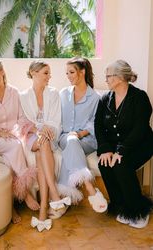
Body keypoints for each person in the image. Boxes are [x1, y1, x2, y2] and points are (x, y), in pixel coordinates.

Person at [0, 59, 39, 224]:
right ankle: (26, 194)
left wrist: (34, 129)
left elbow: (21, 117)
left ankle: (9, 207)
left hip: (12, 135)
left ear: (2, 72)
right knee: (16, 146)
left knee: (10, 160)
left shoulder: (14, 92)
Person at [95, 59, 153, 228]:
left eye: (108, 76)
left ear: (120, 77)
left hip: (140, 144)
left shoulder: (139, 97)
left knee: (121, 163)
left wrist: (121, 151)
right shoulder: (105, 99)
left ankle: (138, 210)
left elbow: (140, 128)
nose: (105, 79)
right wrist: (105, 149)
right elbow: (98, 125)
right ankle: (121, 205)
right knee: (104, 163)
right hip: (114, 144)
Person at [20, 60, 71, 232]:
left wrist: (45, 130)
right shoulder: (23, 96)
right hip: (32, 136)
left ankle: (43, 207)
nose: (49, 77)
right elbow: (25, 122)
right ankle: (55, 197)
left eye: (49, 73)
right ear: (34, 73)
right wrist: (39, 129)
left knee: (43, 146)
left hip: (50, 135)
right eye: (45, 73)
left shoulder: (53, 93)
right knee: (41, 142)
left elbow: (56, 120)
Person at [58, 57, 107, 213]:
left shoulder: (96, 98)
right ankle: (89, 186)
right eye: (67, 73)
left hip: (88, 140)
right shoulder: (63, 93)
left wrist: (81, 133)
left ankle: (64, 200)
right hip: (65, 137)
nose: (69, 76)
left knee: (72, 147)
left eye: (72, 72)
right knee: (71, 141)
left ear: (83, 71)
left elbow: (96, 121)